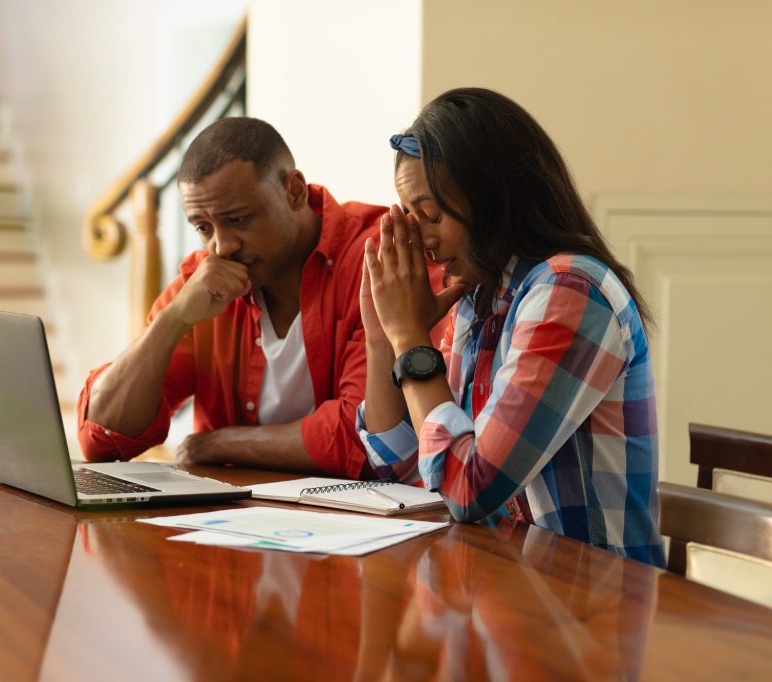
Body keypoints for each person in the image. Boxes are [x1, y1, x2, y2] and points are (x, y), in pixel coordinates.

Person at [357, 88, 664, 566]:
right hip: (505, 589)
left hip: (587, 612)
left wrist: (410, 340)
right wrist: (383, 340)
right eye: (412, 218)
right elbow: (402, 468)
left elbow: (468, 487)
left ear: (494, 197)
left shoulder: (570, 292)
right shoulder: (481, 297)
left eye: (432, 215)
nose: (425, 243)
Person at [78, 116, 392, 477]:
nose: (222, 246)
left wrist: (219, 443)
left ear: (294, 191)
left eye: (239, 219)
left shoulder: (378, 258)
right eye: (203, 228)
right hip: (233, 523)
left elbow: (362, 436)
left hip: (365, 524)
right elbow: (102, 438)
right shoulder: (203, 279)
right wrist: (173, 318)